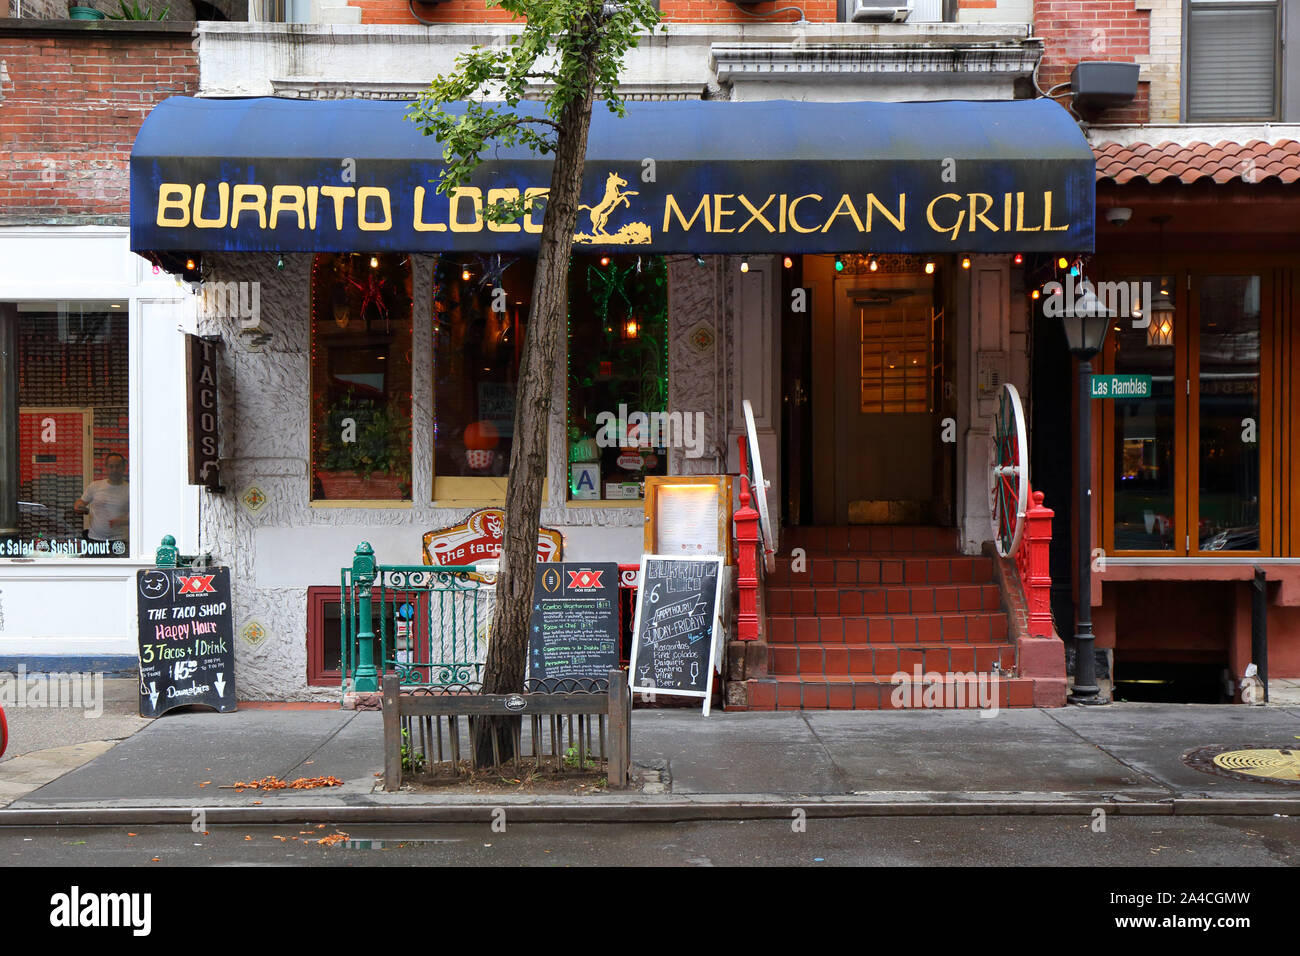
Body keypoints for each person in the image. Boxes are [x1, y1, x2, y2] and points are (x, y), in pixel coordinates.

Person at [74, 452, 129, 553]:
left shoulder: (130, 489)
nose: (114, 470)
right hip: (95, 540)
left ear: (124, 468)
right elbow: (81, 502)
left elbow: (139, 518)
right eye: (111, 466)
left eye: (118, 466)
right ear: (106, 468)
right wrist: (79, 506)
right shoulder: (95, 486)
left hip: (119, 541)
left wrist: (124, 521)